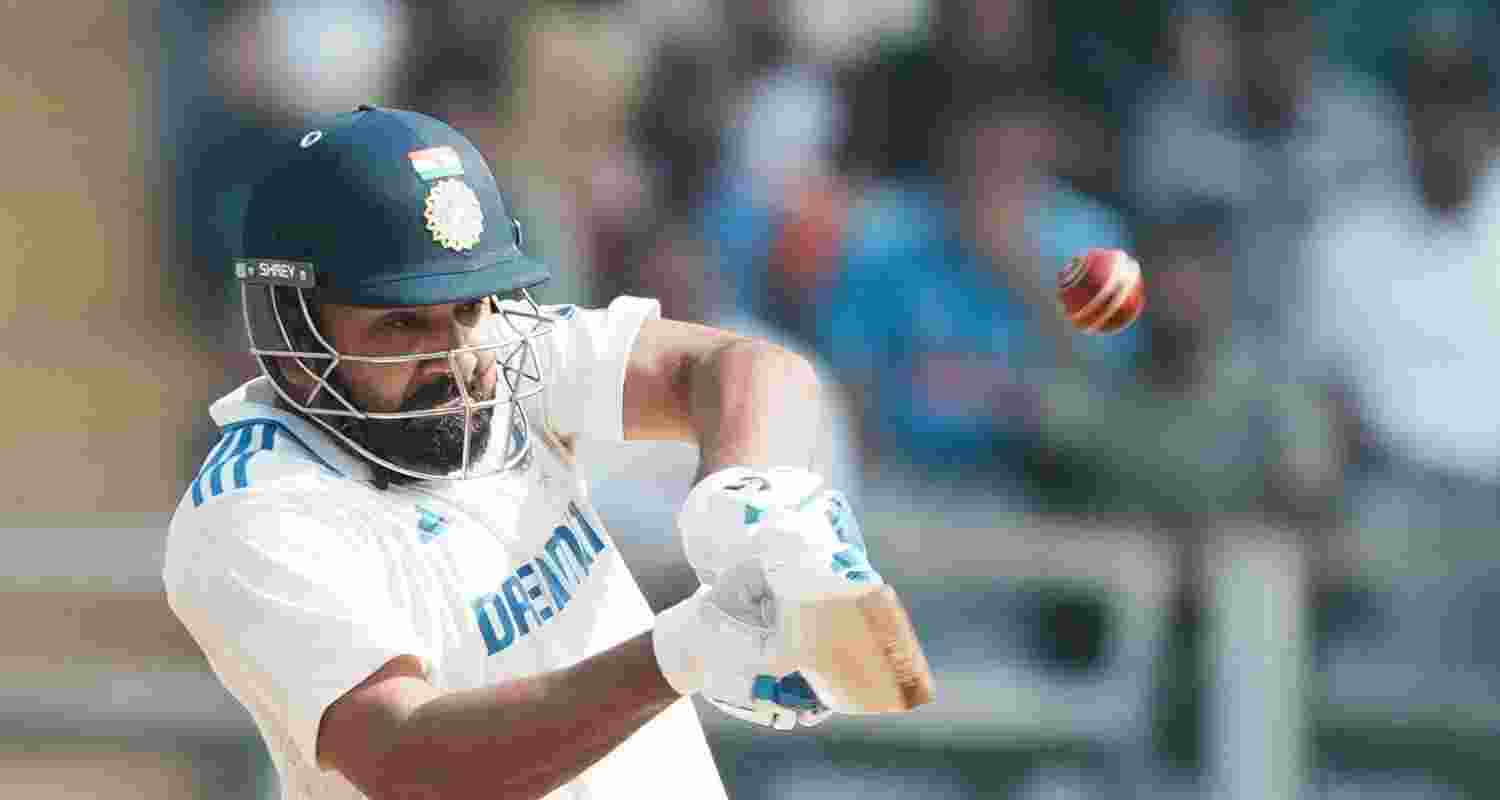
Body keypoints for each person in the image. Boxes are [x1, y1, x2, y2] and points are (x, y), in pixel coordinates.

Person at [162, 106, 888, 800]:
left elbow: (757, 370)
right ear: (295, 333)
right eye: (400, 323)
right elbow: (415, 766)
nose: (454, 354)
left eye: (469, 306)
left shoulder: (502, 353)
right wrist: (684, 651)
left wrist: (750, 503)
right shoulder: (255, 514)